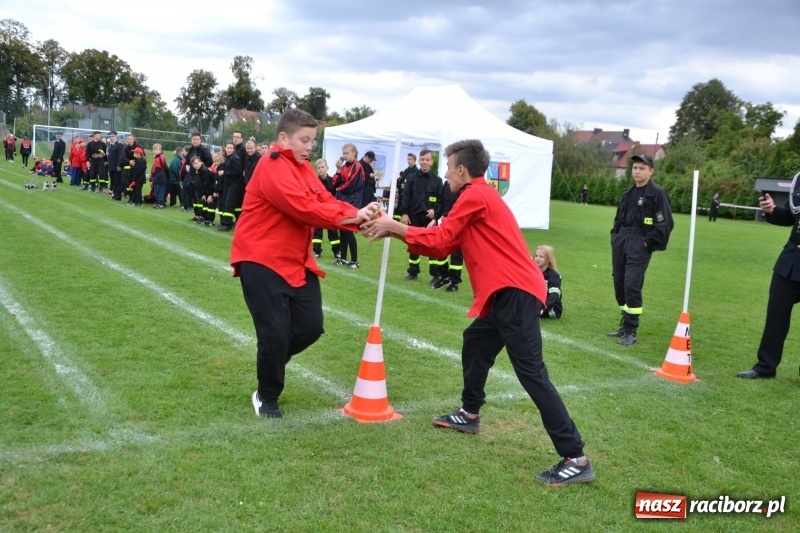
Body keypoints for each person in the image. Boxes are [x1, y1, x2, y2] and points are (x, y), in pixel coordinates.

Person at [362, 139, 593, 486]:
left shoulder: (474, 196)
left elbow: (439, 241)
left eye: (448, 166)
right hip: (505, 294)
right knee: (476, 342)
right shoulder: (477, 196)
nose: (445, 173)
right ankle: (469, 413)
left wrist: (394, 227)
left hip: (516, 294)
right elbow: (444, 244)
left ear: (461, 169)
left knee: (532, 374)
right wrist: (396, 230)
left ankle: (576, 457)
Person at [230, 108, 380, 418]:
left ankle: (272, 360)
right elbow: (303, 208)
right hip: (261, 259)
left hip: (296, 260)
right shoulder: (270, 166)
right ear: (284, 138)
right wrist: (353, 216)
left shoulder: (303, 168)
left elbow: (323, 200)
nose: (310, 147)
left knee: (311, 326)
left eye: (312, 140)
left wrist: (359, 213)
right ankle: (267, 396)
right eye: (305, 140)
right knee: (274, 333)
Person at [607, 154, 673, 346]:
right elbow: (618, 218)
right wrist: (615, 236)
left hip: (640, 241)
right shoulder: (628, 193)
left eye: (642, 168)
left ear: (651, 171)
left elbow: (665, 223)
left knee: (632, 284)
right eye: (635, 167)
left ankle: (631, 330)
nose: (637, 171)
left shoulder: (657, 193)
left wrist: (647, 242)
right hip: (622, 239)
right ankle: (624, 323)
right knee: (619, 284)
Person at [738, 181, 800, 379]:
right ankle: (765, 367)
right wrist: (772, 210)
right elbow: (791, 216)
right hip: (791, 260)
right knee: (776, 316)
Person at [398, 149, 445, 284]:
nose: (425, 162)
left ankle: (435, 275)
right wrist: (404, 213)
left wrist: (434, 211)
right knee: (413, 245)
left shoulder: (437, 181)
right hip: (413, 217)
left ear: (432, 162)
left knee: (432, 246)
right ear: (419, 161)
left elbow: (441, 200)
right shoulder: (411, 178)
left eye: (427, 160)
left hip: (429, 220)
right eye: (422, 159)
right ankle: (413, 272)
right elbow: (405, 197)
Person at [332, 143, 365, 268]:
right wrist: (338, 170)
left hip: (352, 202)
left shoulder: (358, 166)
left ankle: (355, 261)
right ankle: (343, 258)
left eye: (347, 153)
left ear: (354, 154)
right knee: (342, 230)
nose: (345, 155)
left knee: (349, 231)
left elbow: (350, 185)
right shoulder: (344, 166)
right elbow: (335, 182)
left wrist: (339, 189)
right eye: (343, 153)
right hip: (343, 201)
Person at [431, 176, 463, 292]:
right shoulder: (446, 184)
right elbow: (441, 202)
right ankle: (444, 277)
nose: (446, 174)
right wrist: (435, 219)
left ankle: (454, 282)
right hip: (445, 222)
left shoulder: (464, 186)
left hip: (458, 224)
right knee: (440, 250)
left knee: (456, 255)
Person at [312, 159, 341, 259]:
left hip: (330, 210)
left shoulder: (333, 181)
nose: (320, 169)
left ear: (327, 168)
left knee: (333, 232)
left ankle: (336, 251)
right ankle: (317, 251)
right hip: (318, 210)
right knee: (317, 232)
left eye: (322, 167)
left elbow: (337, 192)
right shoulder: (314, 182)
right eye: (319, 168)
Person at [216, 141, 244, 232]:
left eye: (231, 148)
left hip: (235, 185)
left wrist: (225, 172)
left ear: (234, 149)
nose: (229, 150)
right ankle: (225, 223)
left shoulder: (236, 159)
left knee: (229, 203)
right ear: (225, 148)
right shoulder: (227, 157)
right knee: (225, 203)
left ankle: (227, 224)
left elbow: (237, 172)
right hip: (228, 184)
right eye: (228, 148)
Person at [534, 245, 562, 319]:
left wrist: (543, 309)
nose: (537, 259)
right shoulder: (534, 273)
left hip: (552, 309)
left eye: (541, 257)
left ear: (548, 259)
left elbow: (554, 295)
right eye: (536, 256)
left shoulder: (554, 276)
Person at [150, 143, 168, 209]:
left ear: (160, 150)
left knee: (160, 191)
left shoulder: (161, 157)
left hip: (161, 178)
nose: (156, 151)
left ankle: (160, 204)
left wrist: (165, 177)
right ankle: (158, 202)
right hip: (157, 178)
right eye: (155, 150)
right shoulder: (156, 158)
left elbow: (164, 168)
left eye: (157, 149)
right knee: (156, 191)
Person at [106, 131, 124, 198]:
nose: (111, 138)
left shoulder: (119, 145)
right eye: (110, 136)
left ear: (116, 137)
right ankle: (114, 193)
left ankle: (117, 195)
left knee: (117, 181)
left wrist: (119, 165)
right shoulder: (110, 145)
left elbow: (120, 156)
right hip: (111, 166)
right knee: (113, 181)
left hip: (116, 166)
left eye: (112, 136)